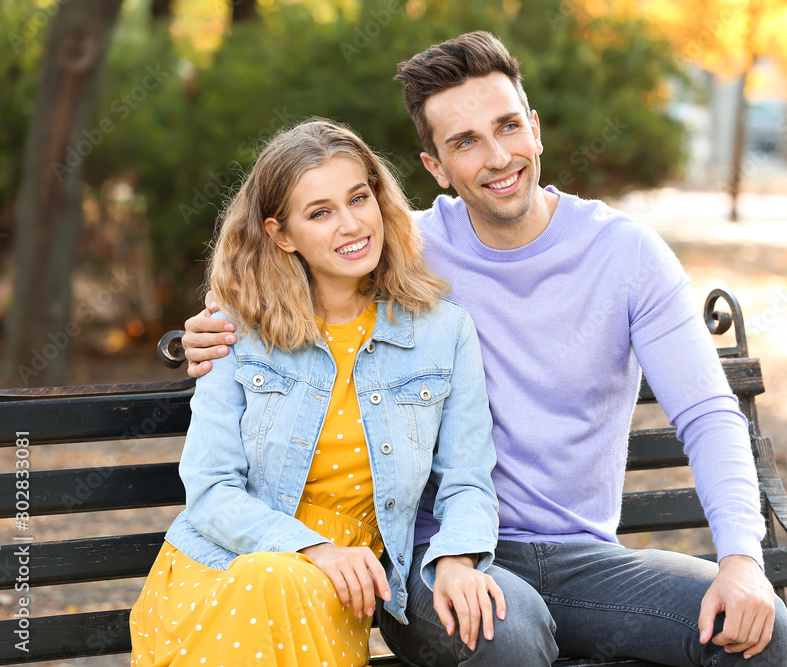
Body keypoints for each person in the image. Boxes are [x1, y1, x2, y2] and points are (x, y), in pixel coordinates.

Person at [183, 33, 787, 666]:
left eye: (507, 127)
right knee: (506, 630)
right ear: (436, 169)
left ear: (534, 129)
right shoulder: (406, 248)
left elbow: (708, 414)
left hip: (586, 562)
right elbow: (278, 270)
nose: (498, 156)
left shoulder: (625, 255)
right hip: (434, 562)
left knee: (758, 630)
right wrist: (198, 334)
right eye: (465, 142)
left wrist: (742, 559)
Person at [130, 119, 506, 667]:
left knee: (284, 582)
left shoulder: (442, 332)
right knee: (274, 575)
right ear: (281, 234)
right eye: (320, 212)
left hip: (337, 588)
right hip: (222, 568)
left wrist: (457, 557)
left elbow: (468, 481)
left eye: (359, 198)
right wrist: (311, 549)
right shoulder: (235, 329)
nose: (352, 224)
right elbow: (210, 488)